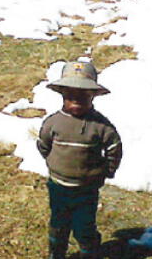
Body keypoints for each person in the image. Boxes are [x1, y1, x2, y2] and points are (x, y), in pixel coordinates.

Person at [38, 61, 123, 259]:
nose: (76, 101)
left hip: (87, 189)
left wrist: (107, 171)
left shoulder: (101, 126)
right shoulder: (53, 123)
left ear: (93, 96)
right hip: (58, 186)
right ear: (62, 95)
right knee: (58, 225)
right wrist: (54, 164)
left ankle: (90, 253)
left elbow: (114, 148)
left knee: (84, 228)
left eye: (83, 96)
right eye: (71, 96)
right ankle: (56, 254)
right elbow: (43, 144)